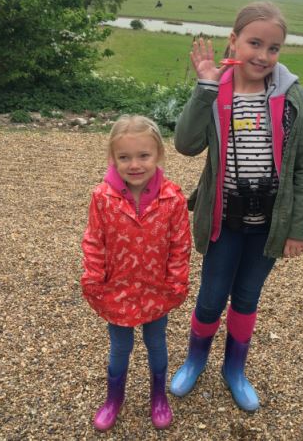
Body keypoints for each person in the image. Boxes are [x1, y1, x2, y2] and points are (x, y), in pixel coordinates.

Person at [170, 1, 303, 412]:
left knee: (247, 298)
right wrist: (204, 87)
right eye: (255, 43)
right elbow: (185, 144)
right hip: (224, 221)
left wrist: (299, 228)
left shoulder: (292, 96)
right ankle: (195, 360)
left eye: (274, 48)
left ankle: (234, 370)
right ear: (234, 40)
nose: (263, 55)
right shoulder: (216, 90)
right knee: (211, 296)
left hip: (269, 226)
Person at [81, 115, 191, 430]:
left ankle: (159, 396)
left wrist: (176, 281)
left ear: (158, 155)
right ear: (112, 158)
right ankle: (113, 398)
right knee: (119, 347)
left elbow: (180, 244)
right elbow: (94, 240)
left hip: (157, 289)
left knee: (156, 343)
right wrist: (93, 279)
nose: (135, 165)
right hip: (116, 290)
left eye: (143, 155)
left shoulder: (173, 198)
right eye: (125, 157)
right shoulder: (102, 197)